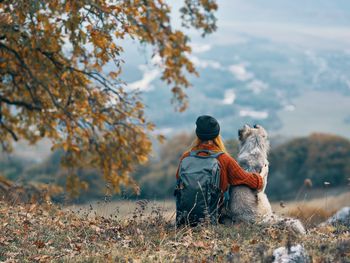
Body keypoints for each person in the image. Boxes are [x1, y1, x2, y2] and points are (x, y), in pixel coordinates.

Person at [175, 115, 268, 225]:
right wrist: (261, 175)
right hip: (211, 219)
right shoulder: (224, 159)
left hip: (185, 219)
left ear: (198, 134)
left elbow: (179, 182)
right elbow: (248, 180)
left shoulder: (186, 157)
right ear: (217, 135)